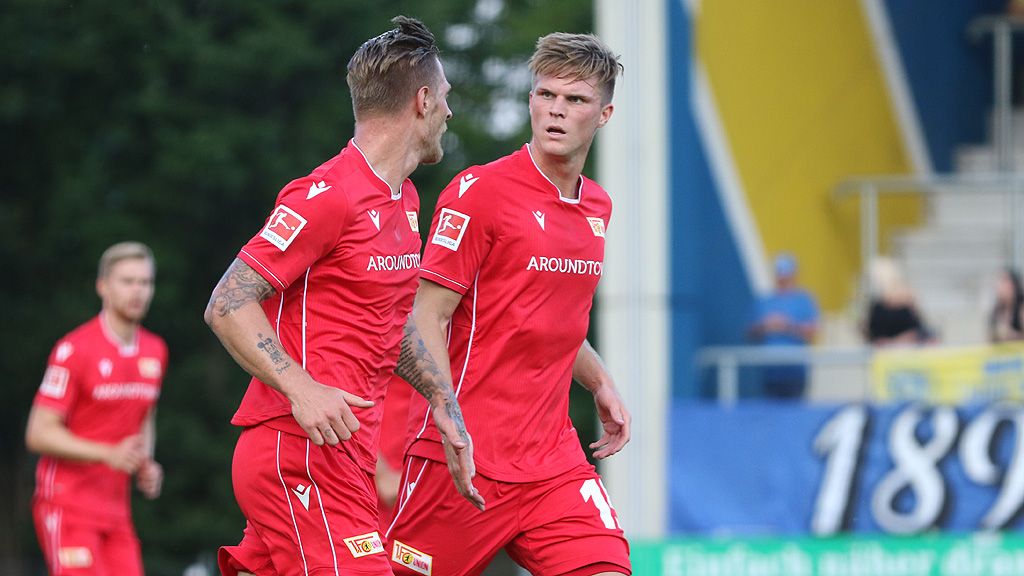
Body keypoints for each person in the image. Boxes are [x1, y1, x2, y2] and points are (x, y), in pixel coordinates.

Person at [204, 16, 471, 576]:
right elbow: (228, 303)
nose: (450, 111)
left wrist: (443, 404)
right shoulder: (327, 196)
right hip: (297, 450)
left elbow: (388, 325)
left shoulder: (406, 202)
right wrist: (301, 388)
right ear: (422, 100)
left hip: (346, 457)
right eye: (446, 97)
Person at [385, 32, 632, 576]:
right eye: (546, 96)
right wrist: (447, 416)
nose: (557, 112)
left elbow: (547, 318)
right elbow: (423, 317)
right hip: (464, 456)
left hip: (553, 465)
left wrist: (599, 382)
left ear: (605, 113)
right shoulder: (481, 192)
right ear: (530, 102)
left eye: (576, 100)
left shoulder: (597, 205)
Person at [25, 241, 167, 576]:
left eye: (145, 282)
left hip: (117, 511)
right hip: (67, 504)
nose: (138, 291)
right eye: (127, 281)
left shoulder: (155, 349)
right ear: (103, 286)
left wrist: (146, 461)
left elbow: (145, 414)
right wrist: (107, 454)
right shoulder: (74, 349)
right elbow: (39, 432)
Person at [747, 252, 820, 399]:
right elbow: (750, 331)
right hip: (770, 371)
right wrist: (764, 326)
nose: (782, 278)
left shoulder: (804, 300)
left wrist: (788, 326)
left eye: (786, 274)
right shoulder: (765, 301)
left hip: (795, 370)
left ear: (793, 275)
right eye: (780, 274)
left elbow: (813, 331)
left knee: (794, 413)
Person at [864, 256, 933, 347]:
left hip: (905, 344)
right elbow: (875, 335)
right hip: (891, 346)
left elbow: (917, 330)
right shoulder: (877, 306)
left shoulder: (907, 299)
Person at [989, 267, 1024, 343]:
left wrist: (1010, 335)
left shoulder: (1021, 307)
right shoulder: (997, 310)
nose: (999, 286)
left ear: (1014, 285)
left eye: (1004, 281)